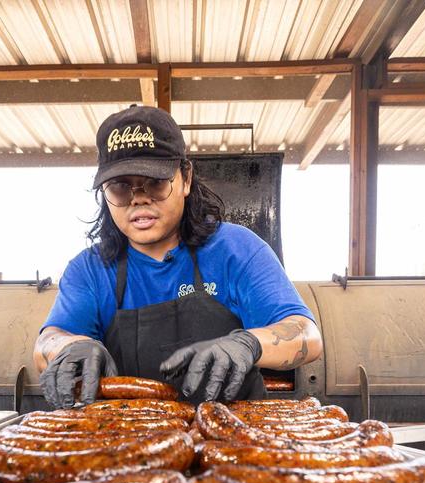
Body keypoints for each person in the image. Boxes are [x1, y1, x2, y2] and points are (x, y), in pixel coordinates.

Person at [33, 105, 322, 408]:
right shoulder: (89, 269)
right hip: (126, 444)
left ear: (185, 178)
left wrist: (249, 343)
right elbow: (46, 342)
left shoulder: (237, 250)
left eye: (155, 182)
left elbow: (308, 336)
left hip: (233, 440)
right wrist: (69, 346)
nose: (138, 198)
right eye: (120, 187)